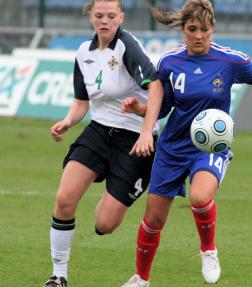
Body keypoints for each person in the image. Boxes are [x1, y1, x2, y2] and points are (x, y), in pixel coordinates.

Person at [119, 0, 252, 286]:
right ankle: (141, 278)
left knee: (199, 197)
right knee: (153, 219)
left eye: (204, 29)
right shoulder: (169, 62)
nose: (198, 35)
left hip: (209, 148)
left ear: (212, 29)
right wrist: (139, 110)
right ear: (183, 30)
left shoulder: (229, 60)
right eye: (192, 29)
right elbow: (164, 107)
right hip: (172, 147)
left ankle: (208, 249)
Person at [41, 0, 163, 286]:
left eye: (111, 16)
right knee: (64, 198)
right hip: (98, 132)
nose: (104, 21)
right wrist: (68, 121)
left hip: (135, 141)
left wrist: (147, 131)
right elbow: (82, 102)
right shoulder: (84, 52)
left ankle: (113, 188)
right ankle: (58, 275)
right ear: (90, 17)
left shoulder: (127, 47)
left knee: (105, 224)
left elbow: (156, 86)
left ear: (121, 17)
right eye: (99, 16)